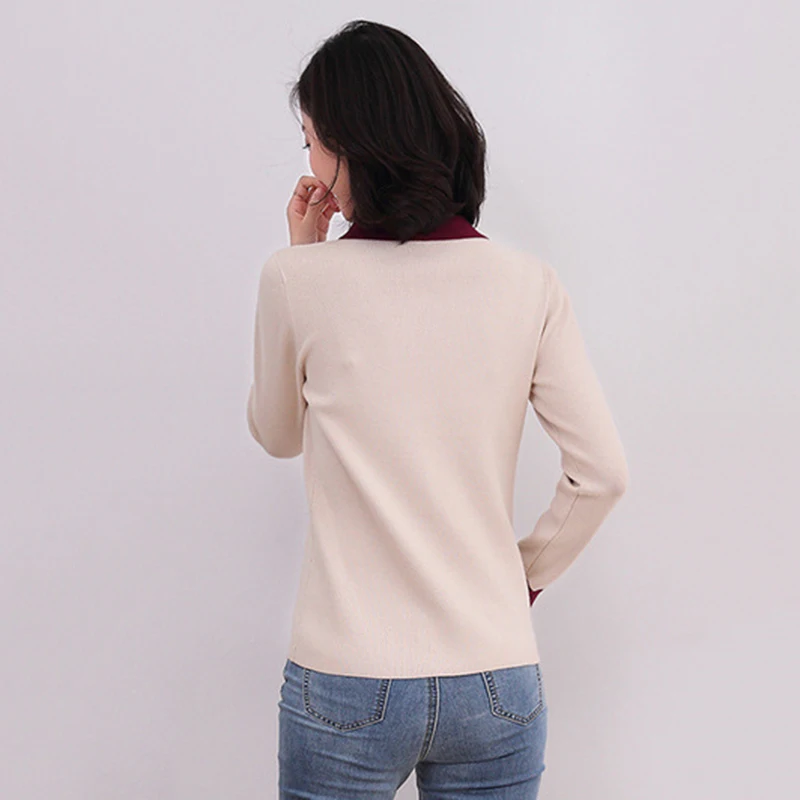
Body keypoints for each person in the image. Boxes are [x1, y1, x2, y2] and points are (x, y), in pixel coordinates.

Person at [247, 19, 629, 799]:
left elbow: (279, 435)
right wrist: (516, 582)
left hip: (346, 678)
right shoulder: (528, 285)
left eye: (312, 142)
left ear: (351, 147)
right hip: (495, 671)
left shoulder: (296, 279)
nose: (310, 164)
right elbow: (602, 475)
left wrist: (303, 257)